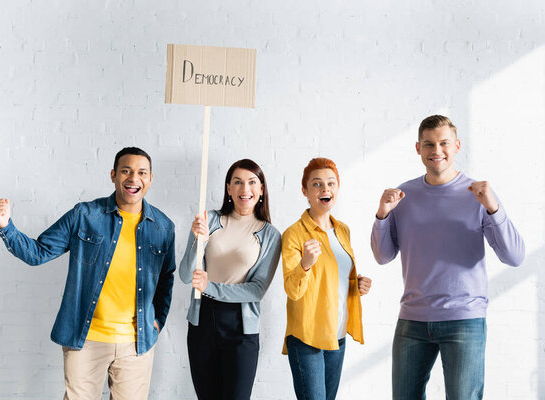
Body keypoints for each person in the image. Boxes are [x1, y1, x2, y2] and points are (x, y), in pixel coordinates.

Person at [0, 147, 175, 400]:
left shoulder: (164, 227)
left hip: (137, 342)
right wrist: (5, 225)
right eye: (126, 171)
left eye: (142, 172)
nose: (134, 178)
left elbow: (166, 278)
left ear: (150, 179)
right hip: (87, 339)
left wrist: (158, 321)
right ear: (113, 175)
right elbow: (38, 252)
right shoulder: (85, 215)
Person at [370, 115, 525, 400]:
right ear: (418, 148)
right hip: (412, 320)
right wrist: (382, 214)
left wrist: (493, 208)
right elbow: (383, 256)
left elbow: (514, 257)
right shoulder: (403, 196)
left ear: (457, 146)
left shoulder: (478, 195)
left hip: (464, 319)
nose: (436, 150)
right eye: (428, 144)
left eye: (444, 143)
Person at [179, 159, 281, 400]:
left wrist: (210, 286)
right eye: (237, 182)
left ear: (261, 189)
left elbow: (256, 290)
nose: (245, 189)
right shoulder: (209, 220)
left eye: (251, 182)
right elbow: (185, 275)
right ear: (228, 189)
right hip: (202, 320)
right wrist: (196, 239)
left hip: (241, 328)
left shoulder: (270, 235)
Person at [282, 157, 372, 400]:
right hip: (307, 337)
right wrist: (305, 264)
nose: (325, 189)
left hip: (338, 335)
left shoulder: (343, 230)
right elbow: (292, 289)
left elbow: (335, 277)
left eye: (331, 184)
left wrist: (357, 284)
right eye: (317, 184)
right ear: (305, 191)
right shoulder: (294, 234)